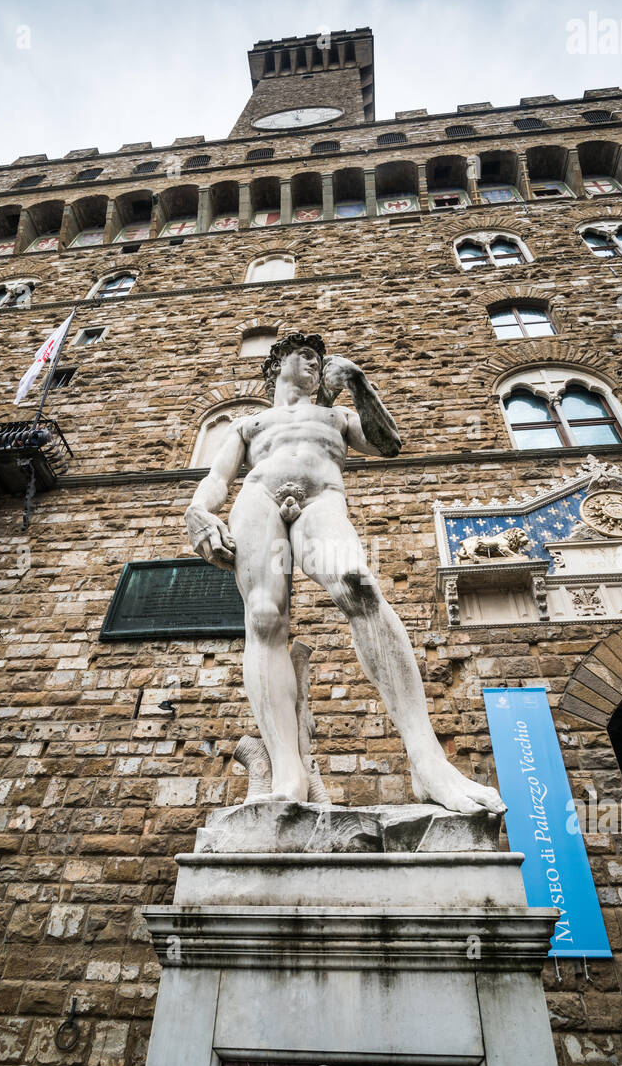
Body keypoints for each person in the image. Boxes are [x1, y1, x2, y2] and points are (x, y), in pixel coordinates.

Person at [185, 331, 505, 817]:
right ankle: (288, 770)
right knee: (265, 618)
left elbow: (389, 443)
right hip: (258, 503)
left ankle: (427, 762)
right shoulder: (250, 423)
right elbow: (216, 478)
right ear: (278, 365)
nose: (315, 365)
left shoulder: (337, 415)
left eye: (319, 359)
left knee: (359, 586)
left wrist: (357, 379)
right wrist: (198, 512)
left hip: (320, 501)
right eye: (305, 356)